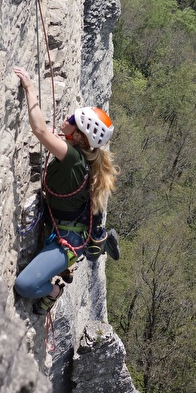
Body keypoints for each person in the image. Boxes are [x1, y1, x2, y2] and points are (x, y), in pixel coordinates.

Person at [12, 67, 120, 315]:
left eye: (73, 121)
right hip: (63, 227)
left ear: (80, 137)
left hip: (67, 241)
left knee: (25, 285)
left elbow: (39, 131)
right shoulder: (78, 155)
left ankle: (53, 292)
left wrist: (29, 88)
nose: (68, 118)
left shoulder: (72, 158)